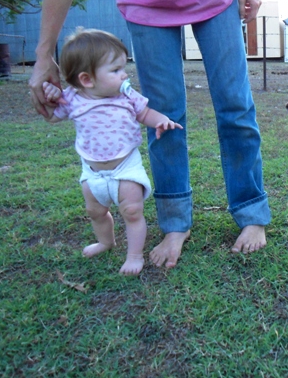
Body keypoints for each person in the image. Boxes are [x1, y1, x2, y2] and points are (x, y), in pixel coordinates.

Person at [29, 0, 271, 269]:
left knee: (235, 106)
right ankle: (175, 223)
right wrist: (44, 52)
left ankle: (251, 213)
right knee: (163, 114)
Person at [42, 28, 183, 275]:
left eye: (123, 67)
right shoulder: (73, 98)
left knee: (132, 211)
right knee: (95, 211)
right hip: (93, 173)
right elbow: (52, 117)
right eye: (116, 70)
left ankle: (134, 255)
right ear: (87, 79)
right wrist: (50, 97)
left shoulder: (127, 96)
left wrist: (161, 120)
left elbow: (145, 114)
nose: (124, 75)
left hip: (125, 168)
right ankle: (106, 242)